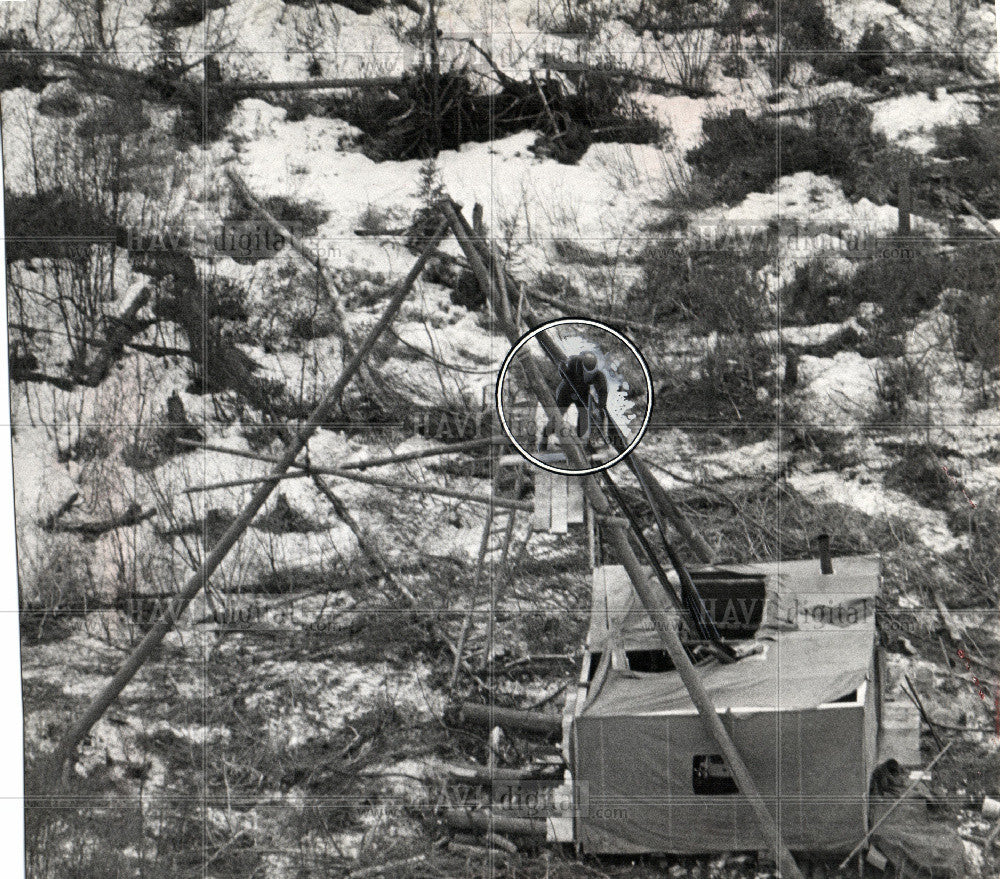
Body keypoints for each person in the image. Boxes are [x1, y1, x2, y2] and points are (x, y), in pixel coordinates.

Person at [539, 350, 608, 451]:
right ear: (582, 366)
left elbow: (603, 392)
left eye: (591, 373)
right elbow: (562, 370)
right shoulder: (574, 362)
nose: (588, 375)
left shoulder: (599, 375)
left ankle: (583, 442)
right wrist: (562, 369)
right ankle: (544, 438)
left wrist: (599, 406)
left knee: (585, 415)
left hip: (583, 391)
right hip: (567, 389)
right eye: (586, 372)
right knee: (558, 415)